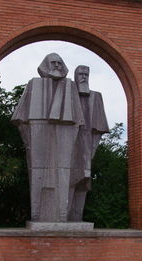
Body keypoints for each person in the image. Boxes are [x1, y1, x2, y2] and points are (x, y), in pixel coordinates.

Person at [11, 53, 84, 222]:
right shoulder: (33, 84)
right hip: (37, 126)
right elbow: (20, 117)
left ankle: (62, 215)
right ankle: (36, 214)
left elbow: (78, 120)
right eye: (53, 63)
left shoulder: (69, 86)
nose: (57, 66)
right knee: (37, 171)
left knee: (64, 172)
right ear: (45, 65)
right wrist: (26, 136)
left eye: (60, 63)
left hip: (65, 128)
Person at [68, 65, 109, 221]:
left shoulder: (95, 97)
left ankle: (76, 218)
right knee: (70, 180)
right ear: (75, 75)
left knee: (84, 180)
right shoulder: (68, 95)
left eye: (86, 74)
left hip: (86, 145)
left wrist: (92, 148)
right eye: (80, 74)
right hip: (69, 143)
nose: (83, 77)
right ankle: (63, 217)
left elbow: (98, 129)